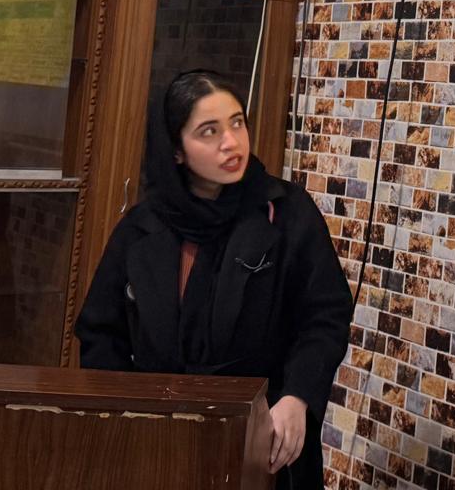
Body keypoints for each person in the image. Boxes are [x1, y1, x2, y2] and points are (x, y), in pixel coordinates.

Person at [76, 70, 352, 488]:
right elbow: (100, 333)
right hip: (159, 445)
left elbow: (324, 318)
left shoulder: (287, 213)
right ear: (177, 151)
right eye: (209, 131)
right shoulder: (142, 228)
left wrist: (297, 397)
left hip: (264, 442)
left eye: (237, 123)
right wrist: (124, 420)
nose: (231, 142)